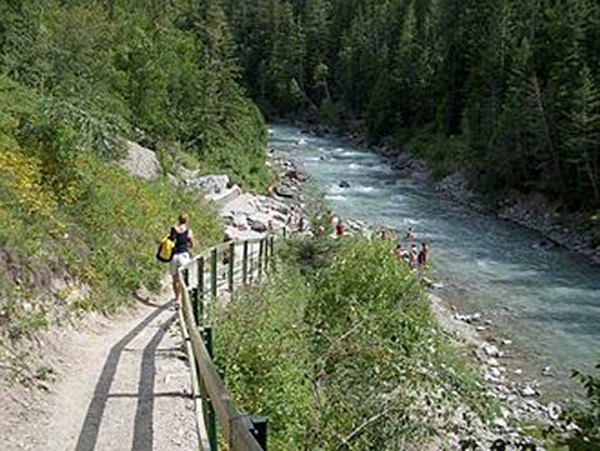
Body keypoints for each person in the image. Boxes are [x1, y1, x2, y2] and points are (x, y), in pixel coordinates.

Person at [170, 213, 195, 309]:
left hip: (174, 256)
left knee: (175, 279)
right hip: (183, 256)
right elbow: (192, 244)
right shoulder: (188, 231)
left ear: (178, 219)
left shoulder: (174, 229)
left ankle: (177, 299)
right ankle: (184, 300)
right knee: (184, 279)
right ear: (187, 220)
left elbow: (170, 241)